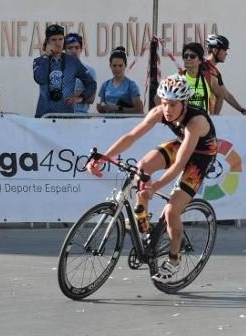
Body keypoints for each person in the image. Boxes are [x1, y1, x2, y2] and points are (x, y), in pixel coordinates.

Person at [86, 75, 218, 283]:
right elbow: (131, 136)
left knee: (171, 210)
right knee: (142, 167)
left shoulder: (196, 122)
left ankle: (174, 261)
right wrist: (104, 158)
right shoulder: (160, 112)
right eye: (164, 103)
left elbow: (180, 164)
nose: (167, 109)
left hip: (201, 156)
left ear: (184, 103)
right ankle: (143, 223)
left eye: (173, 105)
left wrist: (155, 186)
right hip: (182, 144)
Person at [33, 23, 96, 118]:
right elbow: (40, 79)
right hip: (44, 116)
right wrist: (46, 56)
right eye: (54, 40)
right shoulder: (39, 61)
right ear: (47, 42)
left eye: (60, 39)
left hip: (66, 117)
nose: (58, 43)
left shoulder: (73, 62)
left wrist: (80, 97)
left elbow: (91, 84)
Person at [204, 34, 246, 115]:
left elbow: (226, 94)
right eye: (224, 50)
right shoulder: (202, 67)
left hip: (210, 118)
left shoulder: (216, 72)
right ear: (215, 50)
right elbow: (221, 95)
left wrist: (242, 110)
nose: (226, 53)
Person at [179, 42, 227, 114]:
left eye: (192, 56)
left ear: (200, 61)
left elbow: (221, 95)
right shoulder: (178, 78)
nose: (188, 58)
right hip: (185, 122)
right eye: (185, 56)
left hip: (203, 122)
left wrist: (215, 117)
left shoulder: (209, 78)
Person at [97, 47, 143, 114]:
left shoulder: (131, 85)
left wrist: (118, 108)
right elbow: (102, 106)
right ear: (110, 66)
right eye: (114, 66)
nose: (117, 69)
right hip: (108, 122)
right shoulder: (105, 85)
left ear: (125, 66)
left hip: (125, 123)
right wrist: (101, 108)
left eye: (120, 65)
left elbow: (138, 110)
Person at [64, 33, 96, 114]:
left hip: (81, 117)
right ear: (64, 50)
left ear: (81, 49)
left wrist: (79, 97)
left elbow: (91, 99)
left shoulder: (89, 71)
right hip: (61, 118)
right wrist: (81, 93)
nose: (74, 51)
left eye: (77, 48)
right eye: (70, 48)